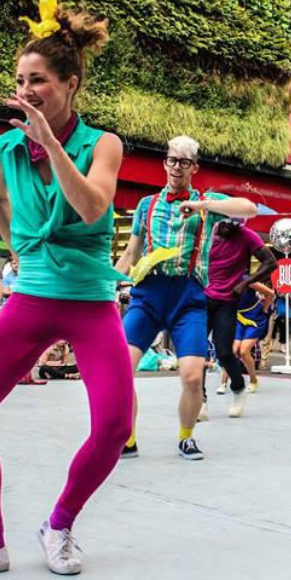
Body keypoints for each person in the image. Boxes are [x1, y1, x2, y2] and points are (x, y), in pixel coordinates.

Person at [0, 0, 132, 578]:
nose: (26, 89)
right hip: (33, 296)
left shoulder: (103, 144)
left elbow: (92, 210)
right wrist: (26, 252)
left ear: (70, 84)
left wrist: (52, 142)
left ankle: (59, 525)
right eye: (20, 79)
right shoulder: (2, 149)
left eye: (38, 79)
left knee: (115, 426)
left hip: (91, 304)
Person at [115, 135, 257, 460]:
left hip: (189, 298)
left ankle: (186, 437)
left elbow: (250, 209)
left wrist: (203, 205)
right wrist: (110, 284)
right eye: (171, 160)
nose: (176, 167)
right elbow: (131, 252)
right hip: (148, 295)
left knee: (193, 376)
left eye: (183, 162)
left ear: (194, 167)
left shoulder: (208, 205)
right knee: (121, 369)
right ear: (165, 162)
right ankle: (128, 438)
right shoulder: (146, 205)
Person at [204, 217, 276, 417]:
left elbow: (271, 263)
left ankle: (238, 387)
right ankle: (200, 399)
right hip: (203, 298)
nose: (226, 229)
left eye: (232, 226)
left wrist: (244, 284)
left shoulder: (247, 235)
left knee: (225, 352)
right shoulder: (207, 230)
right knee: (196, 352)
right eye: (223, 225)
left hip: (228, 302)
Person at [219, 282, 274, 407]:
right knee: (232, 351)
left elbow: (270, 293)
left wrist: (265, 308)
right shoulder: (225, 280)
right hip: (239, 318)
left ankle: (253, 380)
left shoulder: (247, 280)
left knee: (244, 351)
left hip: (255, 319)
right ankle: (223, 383)